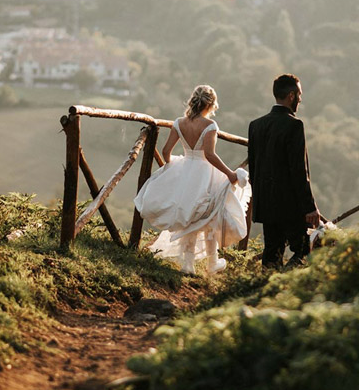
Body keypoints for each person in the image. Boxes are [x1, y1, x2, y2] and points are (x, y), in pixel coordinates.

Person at [134, 85, 251, 274]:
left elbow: (165, 151)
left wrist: (173, 170)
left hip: (185, 168)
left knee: (189, 216)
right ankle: (212, 263)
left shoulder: (179, 122)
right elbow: (210, 155)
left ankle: (188, 265)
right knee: (208, 216)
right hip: (205, 172)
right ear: (211, 104)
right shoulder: (210, 126)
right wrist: (230, 173)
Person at [247, 74, 321, 269]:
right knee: (304, 250)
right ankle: (289, 289)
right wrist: (310, 207)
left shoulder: (256, 125)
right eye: (299, 94)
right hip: (290, 204)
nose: (300, 99)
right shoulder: (294, 125)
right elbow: (299, 170)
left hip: (266, 203)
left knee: (272, 252)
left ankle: (265, 290)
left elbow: (254, 167)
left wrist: (259, 198)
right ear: (291, 95)